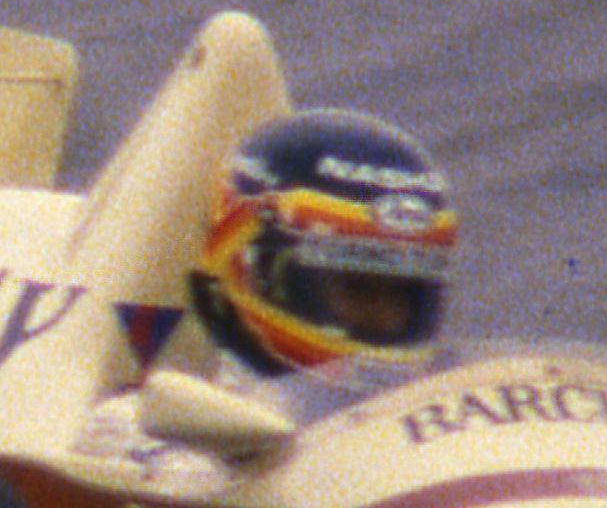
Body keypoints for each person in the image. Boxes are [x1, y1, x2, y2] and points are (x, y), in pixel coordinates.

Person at [180, 111, 466, 395]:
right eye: (357, 288)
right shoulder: (192, 430)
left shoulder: (451, 411)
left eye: (402, 295)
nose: (385, 315)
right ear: (260, 274)